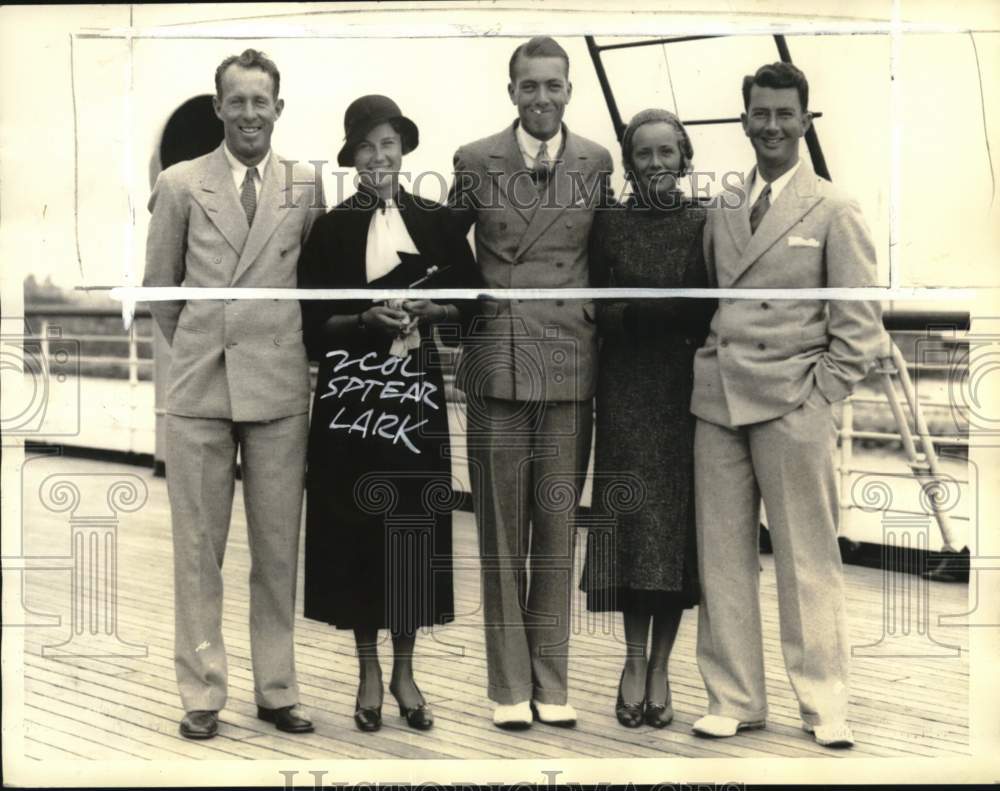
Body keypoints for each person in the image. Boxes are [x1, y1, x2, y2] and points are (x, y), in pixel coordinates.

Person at [690, 61, 886, 748]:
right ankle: (733, 696)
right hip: (718, 401)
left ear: (805, 121)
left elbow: (860, 326)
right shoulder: (722, 205)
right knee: (722, 557)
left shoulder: (835, 209)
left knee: (807, 559)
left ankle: (825, 702)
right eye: (760, 113)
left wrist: (818, 397)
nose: (771, 125)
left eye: (784, 114)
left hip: (792, 403)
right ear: (744, 119)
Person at [142, 49, 324, 740]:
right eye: (237, 101)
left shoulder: (304, 184)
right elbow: (163, 292)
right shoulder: (182, 183)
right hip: (200, 388)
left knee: (278, 550)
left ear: (279, 107)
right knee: (198, 550)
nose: (250, 113)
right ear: (218, 108)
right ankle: (201, 691)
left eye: (261, 100)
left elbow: (311, 283)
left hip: (278, 389)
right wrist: (203, 342)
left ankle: (277, 689)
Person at [299, 95, 480, 733]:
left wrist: (436, 313)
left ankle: (405, 671)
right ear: (353, 159)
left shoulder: (435, 224)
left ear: (404, 151)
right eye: (368, 148)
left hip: (416, 398)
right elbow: (311, 325)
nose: (380, 157)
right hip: (351, 401)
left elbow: (474, 304)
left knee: (411, 529)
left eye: (389, 145)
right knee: (356, 532)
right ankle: (368, 672)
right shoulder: (332, 228)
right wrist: (361, 321)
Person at [449, 36, 613, 730]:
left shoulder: (596, 162)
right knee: (499, 534)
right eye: (529, 86)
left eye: (554, 85)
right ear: (510, 91)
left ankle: (553, 681)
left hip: (570, 360)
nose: (541, 97)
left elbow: (610, 256)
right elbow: (442, 251)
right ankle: (508, 687)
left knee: (555, 527)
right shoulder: (474, 159)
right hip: (499, 358)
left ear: (569, 90)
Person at [579, 109, 714, 729]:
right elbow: (594, 305)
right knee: (634, 530)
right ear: (628, 163)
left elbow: (708, 308)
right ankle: (633, 662)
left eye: (667, 152)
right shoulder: (608, 222)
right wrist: (645, 315)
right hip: (626, 391)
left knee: (675, 536)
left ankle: (662, 667)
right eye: (644, 154)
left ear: (685, 158)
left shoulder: (703, 221)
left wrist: (638, 313)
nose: (656, 163)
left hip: (685, 395)